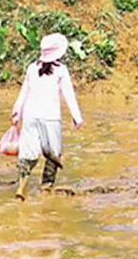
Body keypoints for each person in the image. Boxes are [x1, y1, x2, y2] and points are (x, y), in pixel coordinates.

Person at [11, 32, 84, 200]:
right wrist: (76, 117)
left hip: (30, 116)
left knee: (27, 154)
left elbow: (23, 93)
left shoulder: (31, 68)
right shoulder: (60, 70)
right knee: (54, 154)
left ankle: (21, 188)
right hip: (50, 117)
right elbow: (69, 94)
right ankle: (46, 188)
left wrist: (17, 113)